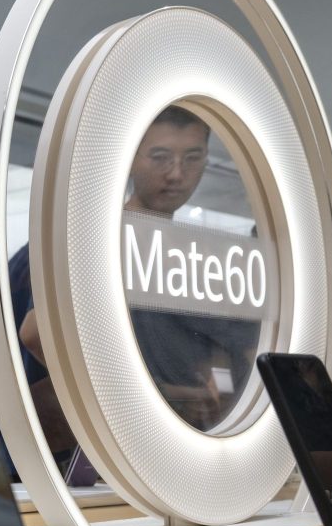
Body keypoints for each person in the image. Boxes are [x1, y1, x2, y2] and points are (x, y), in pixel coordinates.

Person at [14, 105, 260, 434]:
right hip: (103, 449)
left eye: (192, 157)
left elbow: (227, 352)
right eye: (159, 157)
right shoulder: (95, 238)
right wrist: (154, 400)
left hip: (184, 441)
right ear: (130, 157)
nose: (176, 173)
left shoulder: (192, 256)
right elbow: (38, 335)